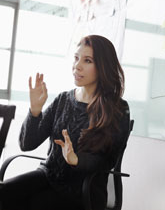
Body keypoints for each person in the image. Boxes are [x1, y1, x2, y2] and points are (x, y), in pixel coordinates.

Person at [0, 35, 130, 210]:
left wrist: (76, 160)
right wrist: (35, 110)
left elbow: (108, 160)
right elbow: (27, 144)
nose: (77, 66)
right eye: (76, 58)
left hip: (83, 190)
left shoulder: (118, 109)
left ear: (103, 66)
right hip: (48, 176)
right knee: (5, 193)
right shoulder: (63, 99)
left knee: (36, 204)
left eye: (87, 60)